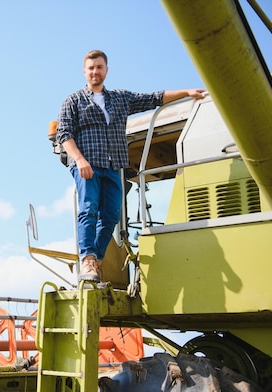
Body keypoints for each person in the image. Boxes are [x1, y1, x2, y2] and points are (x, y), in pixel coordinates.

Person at [56, 49, 206, 282]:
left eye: (99, 67)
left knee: (112, 215)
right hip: (87, 165)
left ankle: (95, 259)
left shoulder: (120, 98)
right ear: (84, 72)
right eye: (91, 68)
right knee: (89, 209)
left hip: (114, 164)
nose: (95, 71)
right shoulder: (73, 101)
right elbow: (63, 134)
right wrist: (79, 160)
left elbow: (154, 98)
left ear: (106, 70)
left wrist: (186, 92)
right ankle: (87, 258)